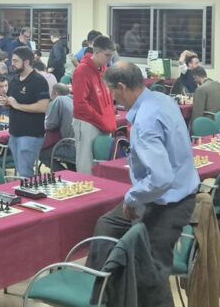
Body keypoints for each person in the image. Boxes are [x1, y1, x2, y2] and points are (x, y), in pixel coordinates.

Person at [91, 62, 199, 305]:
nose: (112, 97)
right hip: (167, 193)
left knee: (151, 273)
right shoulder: (162, 99)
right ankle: (103, 294)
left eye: (112, 90)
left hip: (168, 203)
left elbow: (160, 179)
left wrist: (132, 198)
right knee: (108, 224)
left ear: (121, 86)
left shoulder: (145, 122)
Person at [72, 35, 117, 174]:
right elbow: (81, 105)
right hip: (88, 123)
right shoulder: (82, 71)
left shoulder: (103, 70)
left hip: (102, 122)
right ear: (96, 52)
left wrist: (109, 119)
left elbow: (108, 99)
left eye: (111, 55)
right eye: (107, 55)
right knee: (86, 165)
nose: (110, 59)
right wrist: (101, 121)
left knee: (102, 166)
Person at [5, 47, 50, 178]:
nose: (12, 64)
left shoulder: (38, 81)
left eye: (16, 61)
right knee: (20, 171)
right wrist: (6, 103)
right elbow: (12, 103)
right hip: (14, 131)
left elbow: (43, 107)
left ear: (26, 62)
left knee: (25, 173)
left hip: (30, 133)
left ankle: (29, 191)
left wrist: (17, 105)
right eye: (12, 60)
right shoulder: (14, 80)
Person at [41, 83, 75, 170]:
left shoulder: (59, 100)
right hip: (80, 147)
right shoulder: (73, 99)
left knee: (41, 152)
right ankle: (72, 172)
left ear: (55, 93)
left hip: (70, 147)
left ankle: (64, 174)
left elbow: (50, 124)